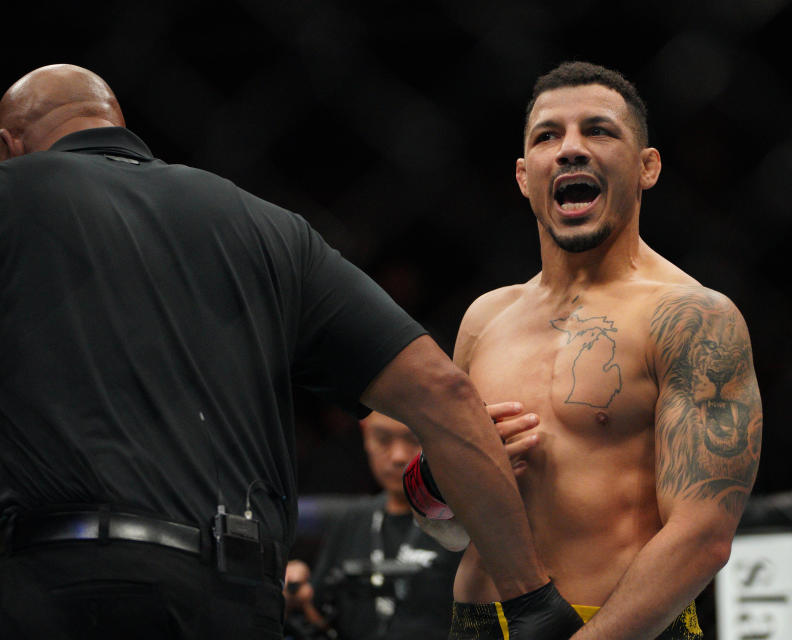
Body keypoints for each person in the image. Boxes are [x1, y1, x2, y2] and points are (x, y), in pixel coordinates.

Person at [0, 64, 583, 639]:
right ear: (119, 124)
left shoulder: (13, 196)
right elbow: (444, 392)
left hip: (47, 583)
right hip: (227, 593)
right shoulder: (265, 227)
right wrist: (531, 599)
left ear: (8, 146)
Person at [410, 61, 763, 640]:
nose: (570, 149)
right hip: (478, 623)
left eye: (598, 130)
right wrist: (441, 482)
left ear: (647, 166)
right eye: (548, 135)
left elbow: (702, 537)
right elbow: (445, 528)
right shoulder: (486, 318)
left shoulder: (692, 318)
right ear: (525, 176)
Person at [290, 412, 461, 639]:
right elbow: (319, 615)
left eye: (415, 439)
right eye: (383, 439)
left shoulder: (463, 525)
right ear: (365, 435)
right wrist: (297, 595)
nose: (399, 456)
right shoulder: (352, 520)